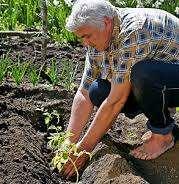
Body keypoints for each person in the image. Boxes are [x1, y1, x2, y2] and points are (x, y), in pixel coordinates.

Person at [61, 0, 179, 179]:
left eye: (87, 36)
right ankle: (162, 120)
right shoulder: (98, 37)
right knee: (97, 90)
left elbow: (116, 100)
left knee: (143, 74)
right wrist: (69, 143)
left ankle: (163, 136)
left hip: (170, 79)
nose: (85, 43)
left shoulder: (134, 31)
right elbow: (83, 94)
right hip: (166, 82)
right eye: (81, 38)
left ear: (107, 22)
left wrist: (84, 149)